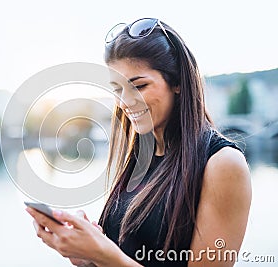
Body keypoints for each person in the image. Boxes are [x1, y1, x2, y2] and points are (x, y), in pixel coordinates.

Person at [26, 18, 251, 267]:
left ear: (177, 82)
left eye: (139, 86)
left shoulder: (223, 164)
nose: (125, 103)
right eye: (118, 90)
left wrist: (104, 255)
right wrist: (87, 252)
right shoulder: (140, 158)